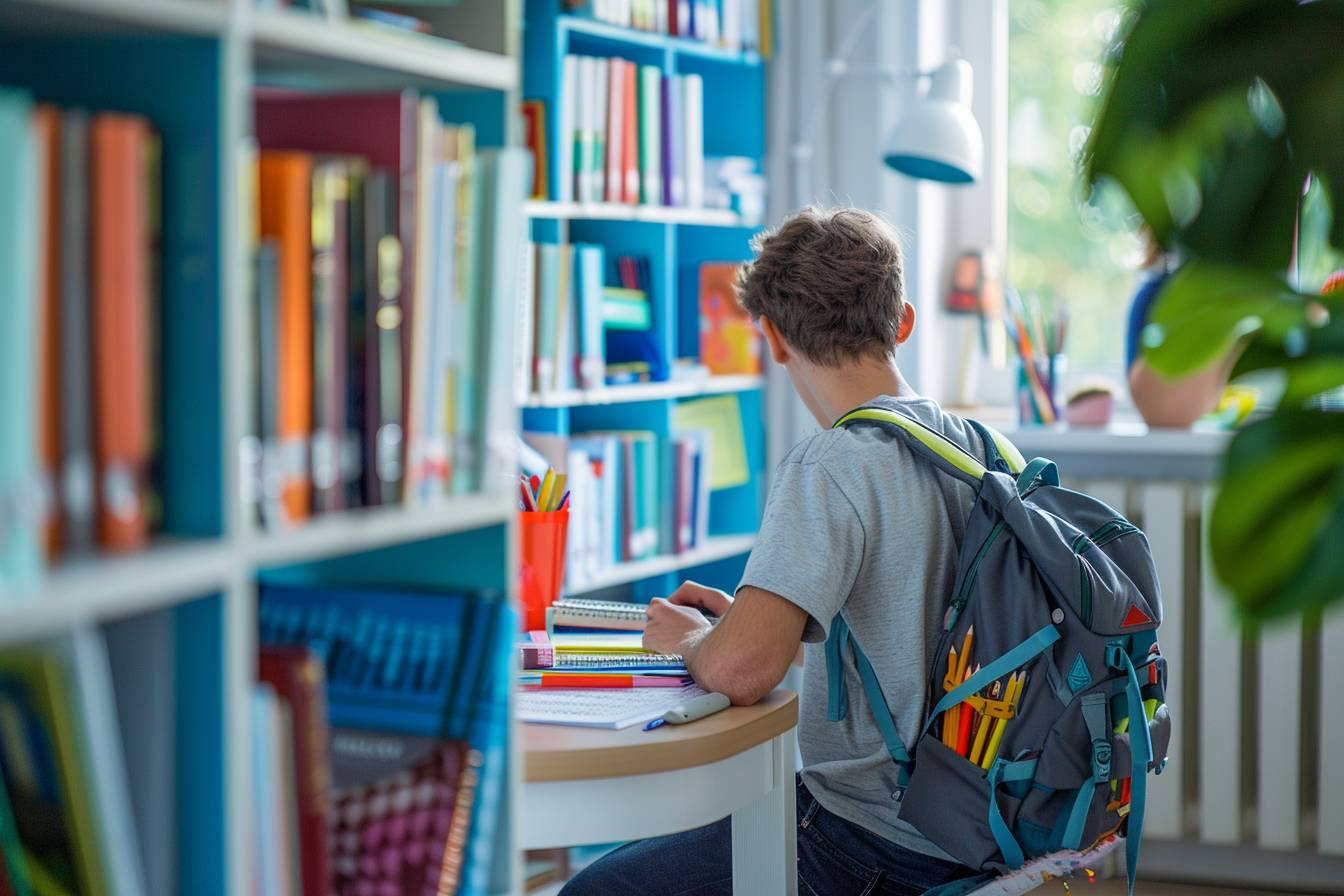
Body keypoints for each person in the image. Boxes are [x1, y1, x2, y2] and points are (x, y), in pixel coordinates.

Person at [559, 207, 994, 896]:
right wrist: (757, 618)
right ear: (902, 322)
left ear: (774, 338)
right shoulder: (975, 446)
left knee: (596, 891)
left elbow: (737, 672)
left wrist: (696, 641)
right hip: (980, 823)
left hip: (871, 837)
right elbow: (909, 631)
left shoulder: (830, 466)